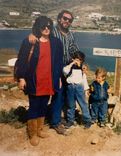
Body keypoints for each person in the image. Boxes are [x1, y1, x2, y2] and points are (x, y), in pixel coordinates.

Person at [29, 10, 79, 135]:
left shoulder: (70, 35)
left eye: (70, 20)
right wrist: (32, 35)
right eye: (65, 18)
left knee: (61, 95)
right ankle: (54, 122)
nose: (67, 21)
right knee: (55, 93)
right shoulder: (52, 31)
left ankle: (54, 118)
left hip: (67, 68)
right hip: (54, 68)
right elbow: (40, 34)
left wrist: (80, 61)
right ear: (59, 19)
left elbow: (74, 50)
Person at [15, 16, 63, 146]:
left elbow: (59, 63)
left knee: (43, 105)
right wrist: (21, 77)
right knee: (34, 106)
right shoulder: (30, 42)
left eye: (49, 26)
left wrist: (58, 78)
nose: (46, 29)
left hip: (49, 80)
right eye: (43, 26)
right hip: (34, 80)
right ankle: (32, 134)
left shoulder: (56, 43)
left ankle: (40, 129)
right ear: (38, 27)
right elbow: (21, 61)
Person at [63, 51, 92, 129]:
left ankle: (87, 120)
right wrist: (72, 64)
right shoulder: (70, 67)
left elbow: (84, 80)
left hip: (79, 87)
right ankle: (70, 120)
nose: (78, 62)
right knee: (71, 105)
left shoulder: (82, 69)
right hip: (70, 87)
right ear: (73, 59)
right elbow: (64, 71)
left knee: (83, 104)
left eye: (80, 60)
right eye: (77, 59)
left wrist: (86, 90)